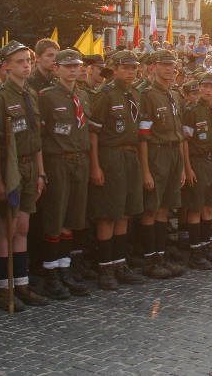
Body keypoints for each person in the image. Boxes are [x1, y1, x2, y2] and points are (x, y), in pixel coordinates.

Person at [0, 40, 49, 311]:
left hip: (29, 167)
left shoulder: (31, 94)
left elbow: (36, 139)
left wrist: (41, 172)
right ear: (6, 66)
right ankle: (5, 289)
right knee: (7, 227)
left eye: (28, 61)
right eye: (20, 61)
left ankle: (21, 284)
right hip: (10, 168)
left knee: (22, 227)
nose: (26, 65)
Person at [88, 50, 147, 290]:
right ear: (114, 70)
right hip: (110, 155)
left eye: (134, 68)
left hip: (130, 155)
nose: (131, 72)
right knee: (108, 213)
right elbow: (93, 133)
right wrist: (95, 165)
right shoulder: (105, 95)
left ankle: (120, 263)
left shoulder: (134, 93)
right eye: (125, 68)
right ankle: (105, 268)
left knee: (124, 212)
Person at [37, 49, 92, 299]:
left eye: (76, 66)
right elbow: (40, 134)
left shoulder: (83, 96)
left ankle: (65, 269)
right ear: (56, 69)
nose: (73, 70)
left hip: (80, 160)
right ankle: (51, 274)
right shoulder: (47, 97)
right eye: (67, 66)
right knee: (55, 217)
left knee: (72, 218)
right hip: (57, 160)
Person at [137, 50, 189, 275]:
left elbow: (179, 132)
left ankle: (161, 255)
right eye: (164, 65)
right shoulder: (147, 95)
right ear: (153, 67)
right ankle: (150, 260)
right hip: (156, 154)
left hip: (173, 153)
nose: (169, 69)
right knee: (151, 208)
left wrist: (182, 168)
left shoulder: (175, 95)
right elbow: (143, 135)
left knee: (165, 208)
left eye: (172, 65)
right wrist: (146, 170)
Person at [181, 72, 212, 269]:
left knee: (210, 207)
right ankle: (195, 251)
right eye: (205, 87)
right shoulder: (191, 110)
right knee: (196, 207)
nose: (208, 90)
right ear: (199, 88)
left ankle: (206, 246)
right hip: (197, 161)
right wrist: (188, 168)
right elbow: (184, 141)